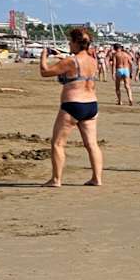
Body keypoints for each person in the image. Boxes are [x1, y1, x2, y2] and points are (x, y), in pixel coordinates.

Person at [39, 26, 105, 187]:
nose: (69, 44)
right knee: (92, 144)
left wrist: (44, 56)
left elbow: (45, 72)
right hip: (91, 105)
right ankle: (97, 178)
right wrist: (62, 57)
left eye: (70, 41)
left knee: (58, 143)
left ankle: (56, 179)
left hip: (73, 104)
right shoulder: (93, 60)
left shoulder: (71, 61)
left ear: (76, 42)